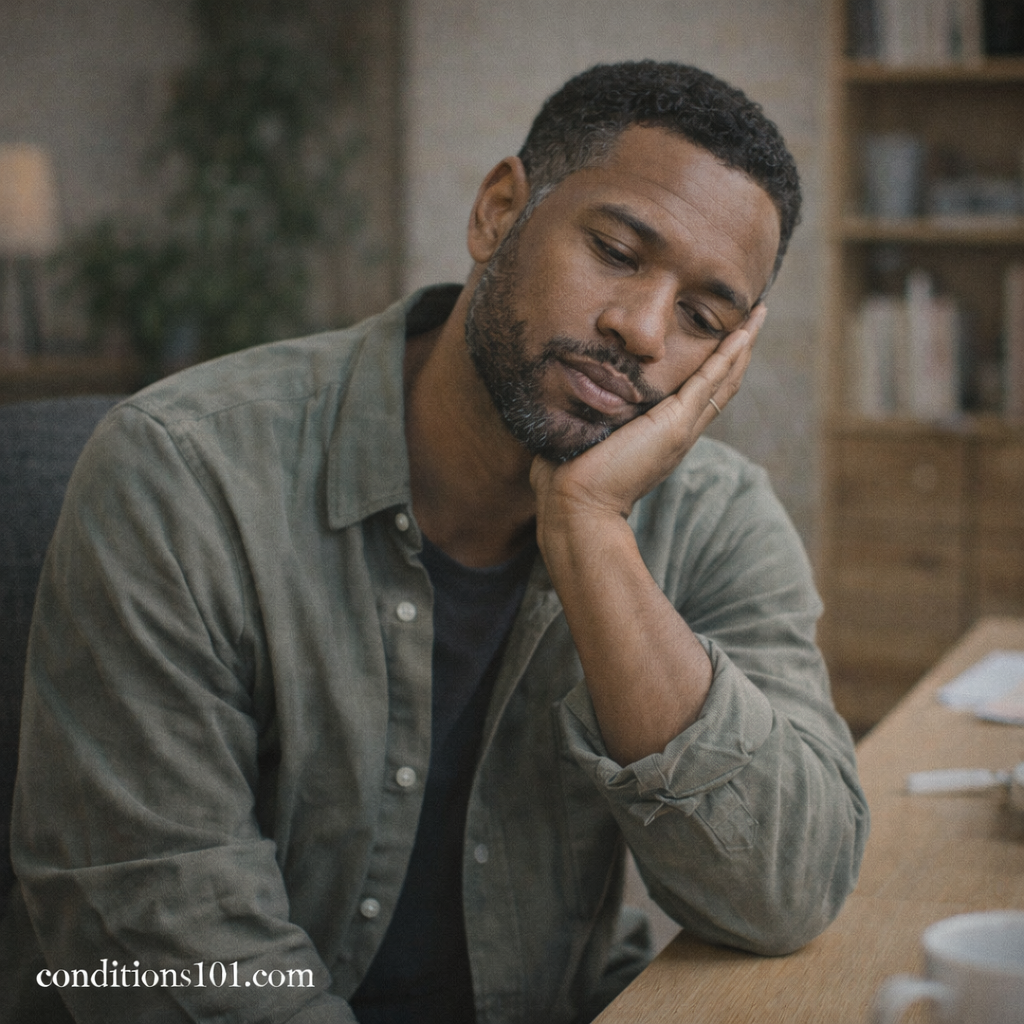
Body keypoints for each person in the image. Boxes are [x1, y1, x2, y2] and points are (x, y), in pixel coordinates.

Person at [3, 60, 868, 1024]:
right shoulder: (183, 474)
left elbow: (786, 889)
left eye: (704, 318)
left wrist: (590, 535)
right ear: (500, 210)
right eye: (618, 253)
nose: (642, 329)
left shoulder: (718, 517)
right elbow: (169, 943)